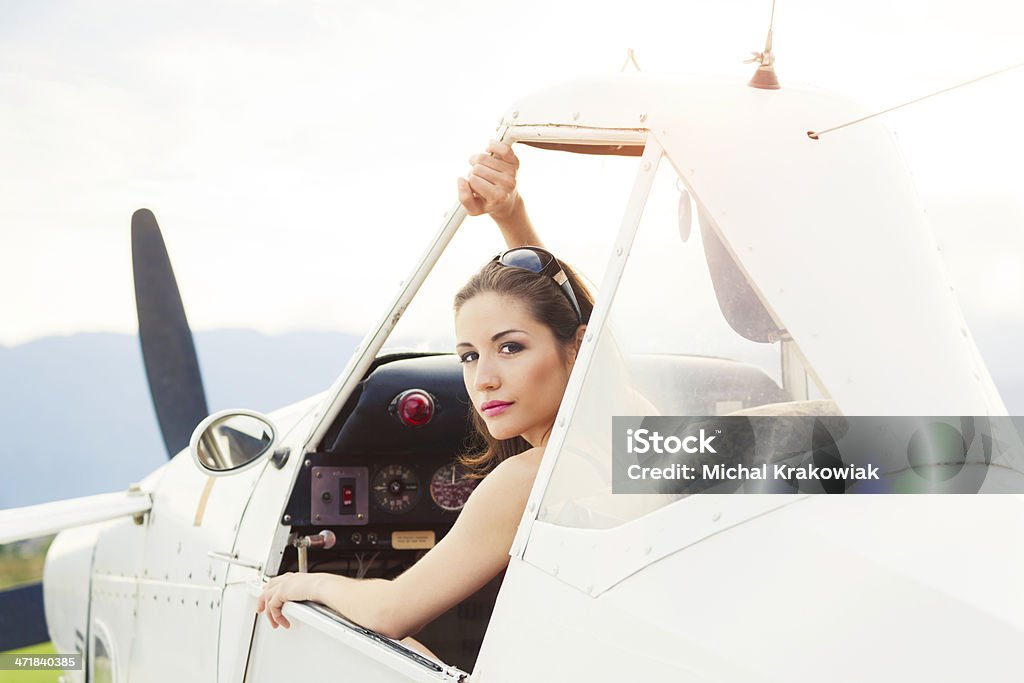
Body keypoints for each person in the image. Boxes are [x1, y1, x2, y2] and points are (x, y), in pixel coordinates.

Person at [256, 142, 592, 652]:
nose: (484, 380)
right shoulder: (635, 438)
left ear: (579, 346)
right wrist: (510, 214)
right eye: (469, 356)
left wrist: (307, 583)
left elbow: (392, 612)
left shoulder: (527, 478)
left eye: (510, 347)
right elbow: (563, 317)